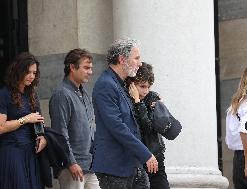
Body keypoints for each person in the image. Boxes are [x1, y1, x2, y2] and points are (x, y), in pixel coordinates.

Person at [92, 38, 158, 189]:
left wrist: (153, 98)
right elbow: (117, 127)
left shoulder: (122, 84)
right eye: (136, 58)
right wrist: (145, 153)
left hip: (133, 165)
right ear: (122, 59)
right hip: (114, 167)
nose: (140, 63)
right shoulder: (105, 85)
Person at [49, 48, 97, 189]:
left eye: (91, 68)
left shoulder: (85, 94)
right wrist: (71, 162)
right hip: (72, 167)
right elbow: (60, 133)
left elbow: (91, 130)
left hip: (91, 164)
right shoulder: (61, 95)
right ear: (72, 67)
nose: (90, 72)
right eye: (86, 67)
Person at [0, 52, 47, 189]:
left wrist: (42, 137)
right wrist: (25, 119)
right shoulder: (4, 94)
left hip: (31, 152)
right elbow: (1, 127)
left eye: (34, 73)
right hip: (12, 152)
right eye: (28, 72)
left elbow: (39, 121)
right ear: (18, 71)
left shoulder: (32, 94)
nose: (32, 76)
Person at [127, 62, 170, 189]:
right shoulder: (125, 98)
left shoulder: (152, 98)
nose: (146, 91)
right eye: (142, 86)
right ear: (131, 84)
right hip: (136, 158)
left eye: (148, 87)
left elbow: (148, 127)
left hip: (154, 155)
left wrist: (138, 102)